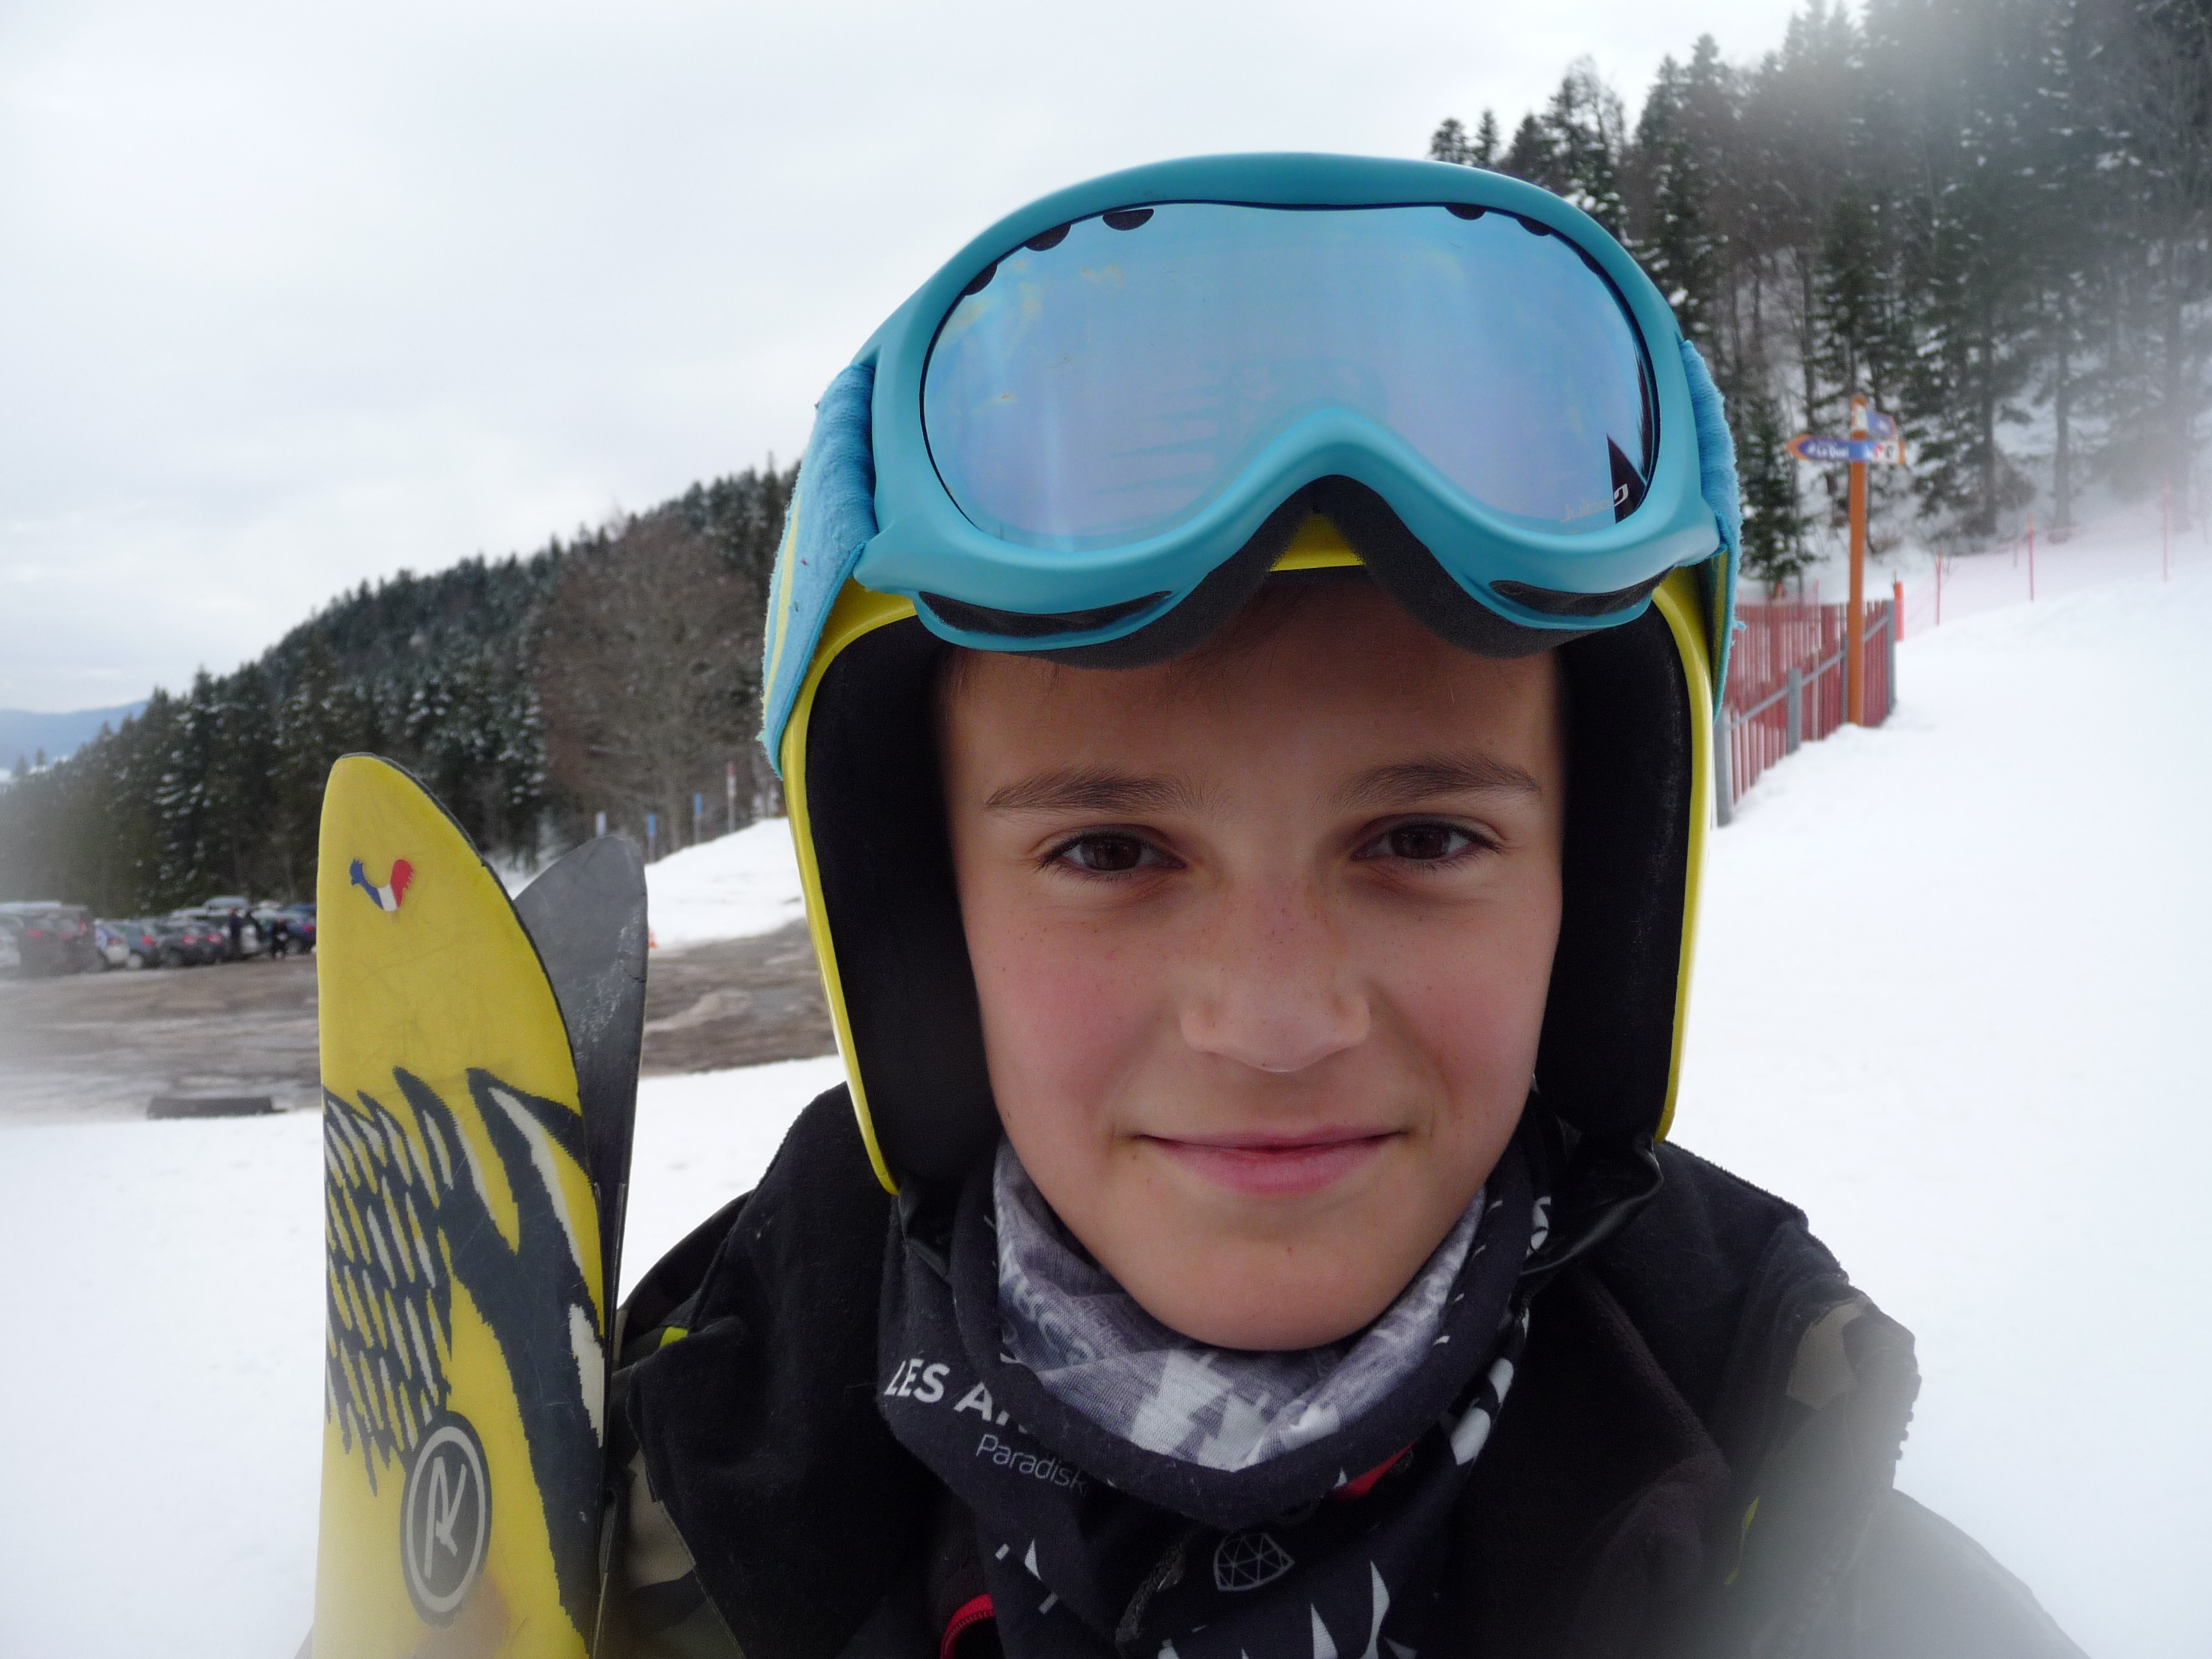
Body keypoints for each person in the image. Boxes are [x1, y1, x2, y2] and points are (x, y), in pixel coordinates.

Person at [598, 157, 2079, 1658]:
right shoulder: (633, 1564)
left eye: (1422, 840)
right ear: (927, 920)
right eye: (1112, 853)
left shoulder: (1856, 1603)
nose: (1276, 1021)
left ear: (1587, 903)